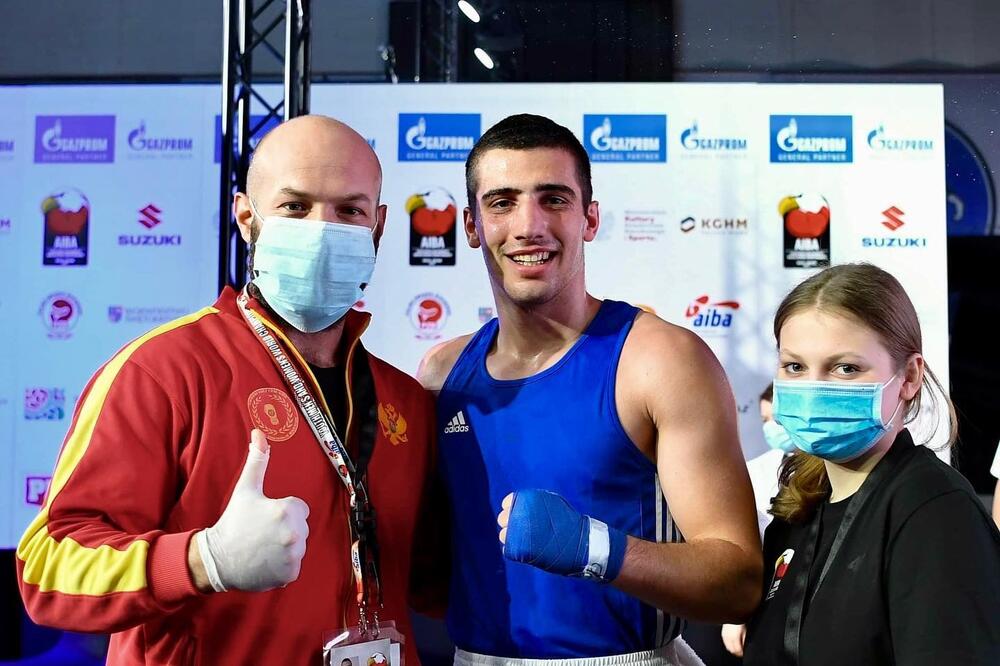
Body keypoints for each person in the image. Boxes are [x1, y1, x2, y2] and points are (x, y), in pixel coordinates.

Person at [16, 116, 441, 665]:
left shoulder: (404, 400)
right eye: (295, 207)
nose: (322, 230)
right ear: (246, 217)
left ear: (378, 227)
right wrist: (203, 560)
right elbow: (46, 568)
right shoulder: (161, 372)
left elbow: (435, 582)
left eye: (349, 211)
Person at [418, 113, 762, 663]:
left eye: (553, 199)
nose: (529, 225)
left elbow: (738, 580)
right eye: (502, 202)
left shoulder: (659, 361)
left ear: (590, 218)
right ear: (472, 226)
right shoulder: (442, 373)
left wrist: (595, 548)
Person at [742, 263, 1000, 665]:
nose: (813, 389)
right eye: (795, 367)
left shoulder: (936, 512)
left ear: (909, 377)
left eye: (846, 368)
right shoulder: (799, 507)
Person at [720, 383, 795, 658]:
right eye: (765, 421)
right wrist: (736, 615)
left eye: (778, 420)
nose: (772, 429)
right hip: (760, 595)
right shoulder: (757, 469)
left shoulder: (833, 469)